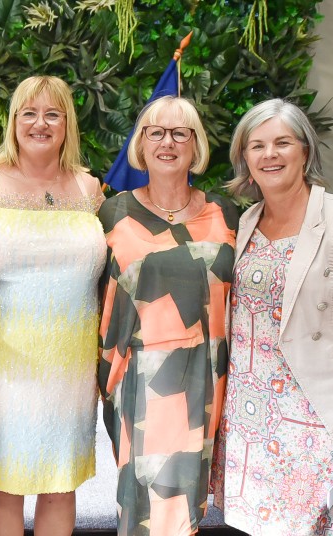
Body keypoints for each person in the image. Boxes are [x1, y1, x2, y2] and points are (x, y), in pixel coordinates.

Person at [210, 98, 333, 535]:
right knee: (252, 525)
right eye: (257, 146)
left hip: (312, 418)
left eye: (282, 143)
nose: (269, 154)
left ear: (305, 151)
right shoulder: (245, 220)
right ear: (245, 158)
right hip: (248, 414)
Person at [0, 75, 106, 535]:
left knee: (61, 480)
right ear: (13, 121)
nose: (40, 123)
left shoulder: (89, 189)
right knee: (5, 481)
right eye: (29, 113)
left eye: (53, 113)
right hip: (2, 361)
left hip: (71, 363)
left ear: (68, 124)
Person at [98, 95, 238, 535]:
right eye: (155, 132)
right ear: (141, 143)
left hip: (210, 372)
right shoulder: (112, 212)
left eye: (181, 132)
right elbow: (95, 299)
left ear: (196, 146)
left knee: (186, 500)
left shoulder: (227, 213)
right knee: (147, 502)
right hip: (140, 375)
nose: (167, 142)